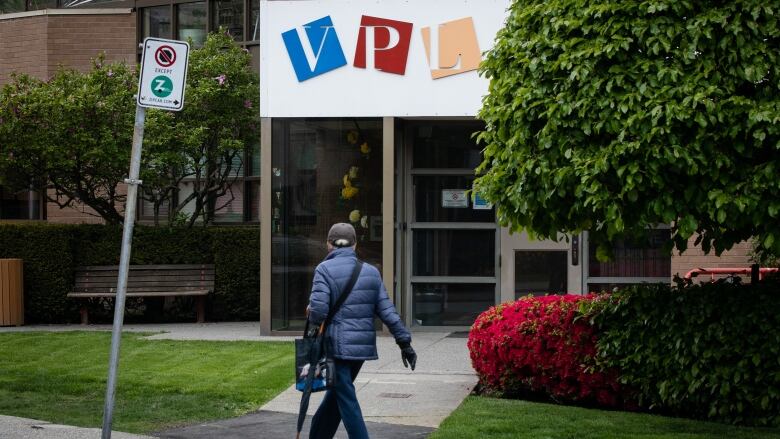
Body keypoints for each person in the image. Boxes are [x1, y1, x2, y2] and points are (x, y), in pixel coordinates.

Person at [306, 223, 417, 439]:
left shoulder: (323, 269)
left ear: (329, 244)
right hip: (360, 350)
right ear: (355, 245)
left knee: (346, 399)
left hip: (335, 347)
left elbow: (318, 312)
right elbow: (387, 312)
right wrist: (404, 343)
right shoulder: (371, 272)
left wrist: (311, 312)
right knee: (337, 395)